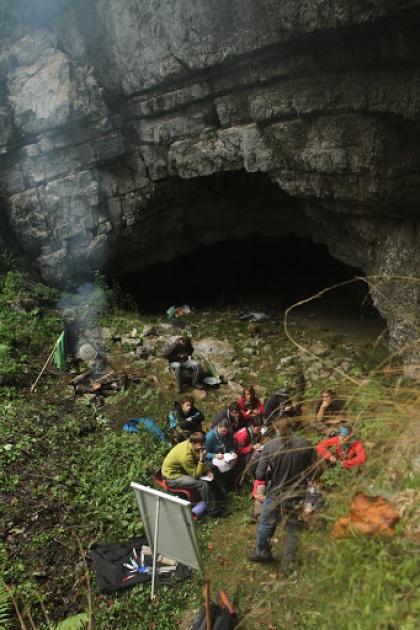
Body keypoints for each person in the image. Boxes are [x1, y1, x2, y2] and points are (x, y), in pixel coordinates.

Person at [247, 417, 318, 576]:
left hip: (275, 494)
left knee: (266, 524)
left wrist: (269, 475)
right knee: (293, 527)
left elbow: (260, 474)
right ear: (293, 427)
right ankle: (289, 563)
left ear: (276, 429)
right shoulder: (305, 444)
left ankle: (263, 553)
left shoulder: (270, 446)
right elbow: (317, 469)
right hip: (297, 493)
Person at [161, 432, 230, 518]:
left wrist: (208, 470)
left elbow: (197, 462)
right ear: (193, 443)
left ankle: (221, 499)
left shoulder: (192, 445)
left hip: (183, 470)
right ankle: (214, 512)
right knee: (201, 484)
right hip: (172, 477)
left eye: (204, 444)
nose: (203, 446)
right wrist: (201, 460)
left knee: (210, 476)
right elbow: (195, 474)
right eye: (200, 445)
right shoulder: (186, 455)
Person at [205, 418, 238, 491]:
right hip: (213, 459)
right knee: (217, 469)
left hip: (225, 457)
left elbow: (231, 447)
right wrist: (215, 456)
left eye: (226, 431)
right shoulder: (210, 437)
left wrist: (232, 453)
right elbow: (205, 453)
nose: (225, 433)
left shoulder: (229, 434)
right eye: (223, 432)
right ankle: (221, 488)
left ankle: (231, 487)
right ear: (218, 427)